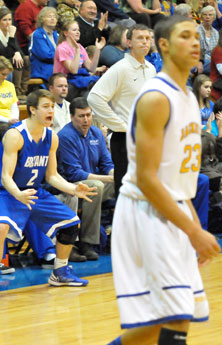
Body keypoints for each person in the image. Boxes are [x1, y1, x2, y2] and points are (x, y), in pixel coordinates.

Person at [107, 16, 221, 345]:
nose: (195, 42)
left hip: (172, 211)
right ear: (164, 45)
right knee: (174, 313)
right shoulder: (156, 97)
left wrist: (195, 226)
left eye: (195, 36)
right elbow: (146, 178)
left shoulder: (188, 97)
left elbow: (179, 178)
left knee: (178, 318)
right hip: (145, 211)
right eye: (184, 36)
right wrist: (193, 230)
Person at [0, 89, 97, 304]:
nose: (50, 110)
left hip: (34, 191)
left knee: (71, 223)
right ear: (32, 110)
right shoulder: (15, 135)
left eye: (52, 107)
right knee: (1, 228)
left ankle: (60, 272)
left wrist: (72, 188)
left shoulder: (51, 137)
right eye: (45, 106)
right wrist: (18, 194)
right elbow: (5, 176)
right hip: (8, 192)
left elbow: (51, 176)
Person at [87, 24, 155, 196]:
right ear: (129, 42)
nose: (145, 42)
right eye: (140, 38)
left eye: (148, 38)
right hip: (125, 139)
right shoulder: (120, 68)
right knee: (127, 194)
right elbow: (94, 98)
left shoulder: (151, 69)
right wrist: (122, 126)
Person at [57, 97, 115, 261]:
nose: (86, 120)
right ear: (71, 117)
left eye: (88, 115)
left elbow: (106, 162)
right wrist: (108, 179)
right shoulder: (65, 136)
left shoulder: (96, 132)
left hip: (94, 182)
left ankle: (119, 236)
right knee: (96, 186)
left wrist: (113, 174)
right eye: (81, 116)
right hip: (71, 185)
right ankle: (86, 243)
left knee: (125, 181)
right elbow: (75, 174)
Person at [53, 20, 106, 101]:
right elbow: (73, 70)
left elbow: (91, 68)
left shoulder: (80, 47)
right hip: (65, 83)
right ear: (66, 33)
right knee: (87, 92)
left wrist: (97, 50)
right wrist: (77, 51)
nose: (78, 32)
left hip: (77, 81)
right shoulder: (62, 48)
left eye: (78, 30)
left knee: (91, 91)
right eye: (74, 30)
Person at [0, 7, 29, 99]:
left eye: (9, 19)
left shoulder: (10, 32)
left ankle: (23, 91)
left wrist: (17, 52)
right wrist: (12, 36)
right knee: (14, 61)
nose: (8, 23)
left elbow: (18, 50)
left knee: (25, 60)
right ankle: (16, 92)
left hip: (6, 59)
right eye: (4, 20)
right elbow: (4, 53)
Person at [29, 6, 58, 82]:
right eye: (49, 16)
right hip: (42, 69)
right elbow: (45, 55)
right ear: (42, 19)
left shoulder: (56, 34)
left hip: (56, 67)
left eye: (54, 17)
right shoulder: (37, 34)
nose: (52, 19)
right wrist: (63, 57)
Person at [198, 5, 218, 75]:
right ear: (201, 17)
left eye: (210, 15)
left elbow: (216, 50)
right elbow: (197, 51)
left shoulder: (216, 32)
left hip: (213, 60)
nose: (207, 17)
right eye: (205, 15)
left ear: (214, 17)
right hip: (200, 60)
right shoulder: (196, 31)